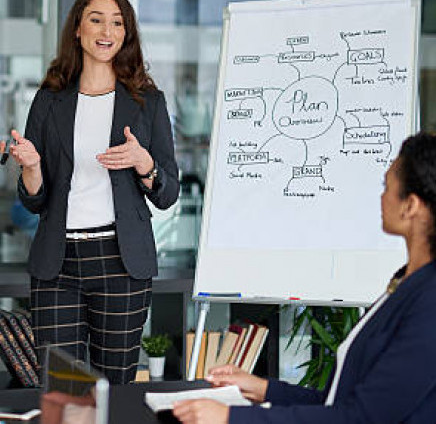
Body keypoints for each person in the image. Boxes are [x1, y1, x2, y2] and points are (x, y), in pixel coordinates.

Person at [173, 132, 436, 424]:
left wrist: (230, 419)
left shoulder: (430, 302)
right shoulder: (404, 282)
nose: (381, 196)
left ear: (410, 205)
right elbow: (339, 401)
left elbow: (362, 417)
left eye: (386, 186)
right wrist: (263, 389)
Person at [2, 0, 179, 384]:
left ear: (126, 33)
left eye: (117, 23)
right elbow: (35, 200)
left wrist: (144, 163)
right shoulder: (49, 100)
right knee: (63, 390)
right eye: (96, 19)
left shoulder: (148, 101)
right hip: (57, 263)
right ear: (78, 29)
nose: (107, 31)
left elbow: (168, 194)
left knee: (114, 389)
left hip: (121, 261)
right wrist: (30, 167)